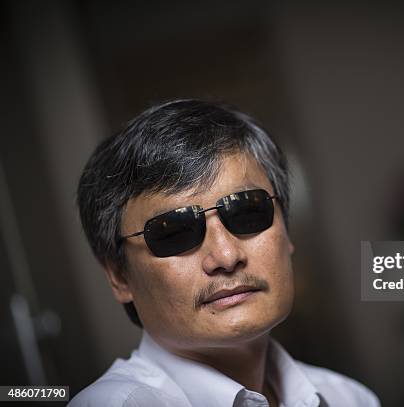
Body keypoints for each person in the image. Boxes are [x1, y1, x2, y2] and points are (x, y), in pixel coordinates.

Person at [69, 99, 380, 407]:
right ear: (119, 276)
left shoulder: (350, 398)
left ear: (287, 229)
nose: (226, 256)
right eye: (174, 232)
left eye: (247, 212)